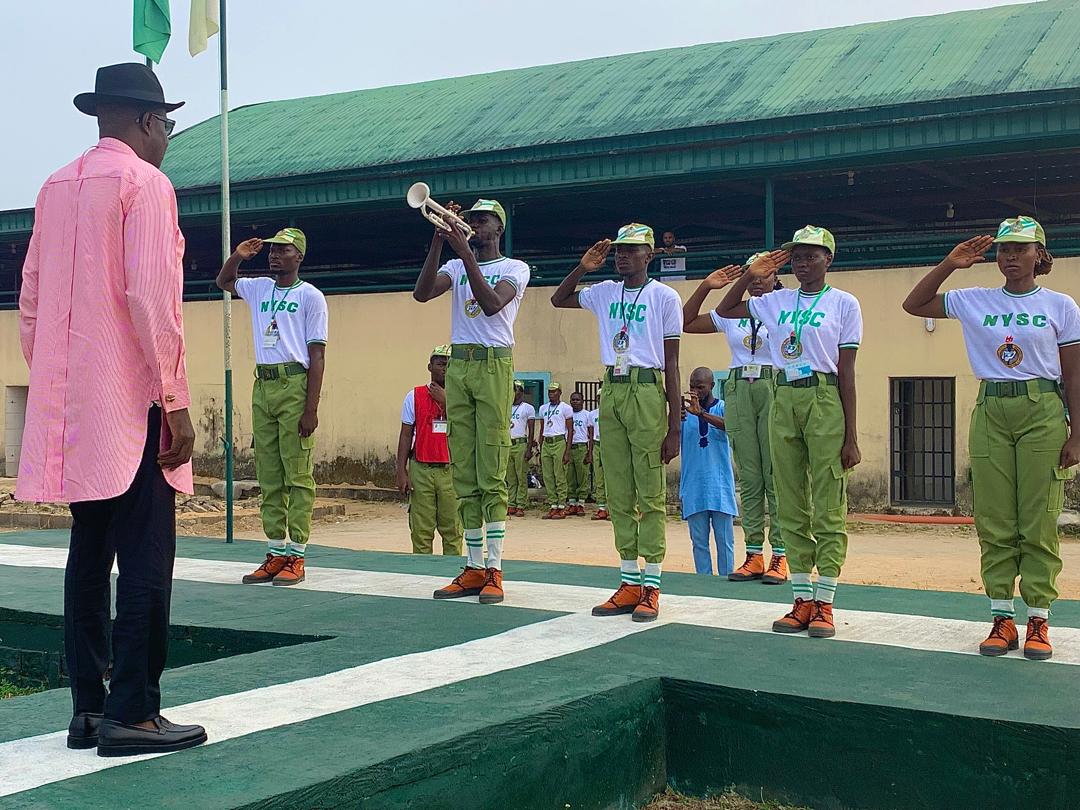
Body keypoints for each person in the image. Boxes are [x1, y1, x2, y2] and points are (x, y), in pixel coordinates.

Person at [17, 63, 205, 755]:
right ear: (149, 122)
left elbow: (31, 301)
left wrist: (58, 384)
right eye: (168, 125)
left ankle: (90, 711)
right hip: (134, 403)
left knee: (89, 555)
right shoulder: (144, 184)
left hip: (76, 409)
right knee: (147, 556)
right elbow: (151, 297)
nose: (168, 137)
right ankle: (135, 712)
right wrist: (174, 400)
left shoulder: (55, 186)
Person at [902, 217, 1080, 660]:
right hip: (991, 407)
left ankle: (1037, 619)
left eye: (1021, 248)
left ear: (1040, 254)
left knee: (1038, 520)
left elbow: (1074, 374)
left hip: (1042, 407)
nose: (1011, 256)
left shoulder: (1061, 306)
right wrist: (950, 264)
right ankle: (1002, 618)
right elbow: (914, 304)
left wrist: (1077, 432)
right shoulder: (974, 299)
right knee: (995, 519)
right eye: (1004, 249)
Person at [716, 226, 862, 639]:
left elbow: (847, 371)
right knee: (791, 501)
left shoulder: (844, 303)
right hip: (783, 395)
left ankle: (825, 601)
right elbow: (726, 309)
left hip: (823, 396)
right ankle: (801, 598)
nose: (802, 263)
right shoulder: (775, 301)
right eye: (796, 256)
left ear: (829, 259)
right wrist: (751, 274)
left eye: (811, 255)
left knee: (827, 504)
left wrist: (851, 435)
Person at [551, 223, 682, 622]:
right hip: (612, 387)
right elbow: (559, 298)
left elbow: (673, 362)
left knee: (650, 492)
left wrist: (674, 426)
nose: (622, 256)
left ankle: (652, 585)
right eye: (619, 250)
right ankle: (628, 582)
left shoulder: (665, 297)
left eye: (631, 250)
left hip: (646, 388)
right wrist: (583, 266)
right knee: (619, 492)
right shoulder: (605, 291)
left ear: (649, 255)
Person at [413, 198, 530, 604]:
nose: (474, 225)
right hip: (460, 363)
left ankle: (494, 568)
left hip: (494, 363)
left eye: (483, 221)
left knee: (491, 468)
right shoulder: (454, 264)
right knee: (463, 467)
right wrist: (437, 241)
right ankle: (474, 565)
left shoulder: (515, 268)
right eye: (471, 219)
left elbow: (493, 304)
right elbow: (422, 294)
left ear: (500, 228)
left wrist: (465, 254)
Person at [218, 229, 328, 587]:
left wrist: (311, 408)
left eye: (284, 250)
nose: (275, 255)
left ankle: (297, 555)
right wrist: (238, 255)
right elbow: (224, 281)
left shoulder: (311, 296)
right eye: (272, 250)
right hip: (263, 384)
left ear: (300, 256)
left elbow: (317, 355)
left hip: (293, 383)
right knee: (269, 474)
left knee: (297, 473)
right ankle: (275, 551)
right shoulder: (260, 288)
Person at [683, 255, 787, 584]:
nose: (756, 280)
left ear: (776, 275)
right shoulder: (732, 313)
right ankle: (754, 554)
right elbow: (687, 322)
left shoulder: (785, 306)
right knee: (751, 476)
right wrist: (706, 287)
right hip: (739, 386)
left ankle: (780, 555)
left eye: (763, 274)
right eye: (749, 275)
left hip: (772, 383)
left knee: (775, 474)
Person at [396, 346, 463, 555]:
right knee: (421, 529)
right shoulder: (414, 396)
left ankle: (451, 570)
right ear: (430, 367)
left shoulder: (462, 399)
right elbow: (406, 435)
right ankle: (422, 569)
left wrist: (447, 400)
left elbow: (467, 428)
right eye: (440, 364)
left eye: (449, 365)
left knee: (453, 529)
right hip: (421, 469)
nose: (444, 369)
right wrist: (401, 471)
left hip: (451, 471)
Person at [680, 368, 739, 575]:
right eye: (692, 387)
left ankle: (725, 581)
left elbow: (730, 426)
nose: (695, 391)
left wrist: (702, 414)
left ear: (712, 386)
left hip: (719, 486)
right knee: (699, 543)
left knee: (725, 541)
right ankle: (703, 582)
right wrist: (674, 417)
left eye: (700, 387)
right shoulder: (684, 414)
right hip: (693, 486)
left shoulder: (722, 407)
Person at [538, 383, 574, 519]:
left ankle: (562, 505)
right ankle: (553, 505)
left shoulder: (566, 408)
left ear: (560, 393)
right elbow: (542, 428)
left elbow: (570, 430)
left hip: (559, 442)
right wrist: (540, 446)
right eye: (549, 392)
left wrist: (567, 451)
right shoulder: (543, 408)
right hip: (546, 442)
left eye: (554, 392)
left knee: (560, 475)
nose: (551, 394)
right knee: (548, 476)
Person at [507, 380, 536, 517]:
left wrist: (529, 448)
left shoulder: (528, 408)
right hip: (508, 444)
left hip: (520, 444)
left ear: (522, 392)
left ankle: (521, 504)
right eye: (512, 389)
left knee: (521, 476)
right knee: (510, 477)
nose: (514, 392)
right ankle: (511, 503)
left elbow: (531, 430)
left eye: (516, 389)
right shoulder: (506, 407)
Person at [567, 392, 593, 515]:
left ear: (582, 401)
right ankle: (572, 503)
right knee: (570, 476)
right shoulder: (567, 414)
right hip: (569, 447)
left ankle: (581, 503)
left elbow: (591, 435)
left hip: (581, 447)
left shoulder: (587, 415)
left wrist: (589, 452)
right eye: (573, 400)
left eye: (577, 400)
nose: (575, 402)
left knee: (582, 476)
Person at [590, 392, 609, 520]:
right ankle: (601, 507)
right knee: (599, 478)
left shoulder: (613, 412)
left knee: (611, 479)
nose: (600, 399)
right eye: (598, 397)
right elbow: (590, 433)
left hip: (610, 445)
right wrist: (590, 451)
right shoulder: (592, 414)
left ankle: (612, 507)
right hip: (597, 445)